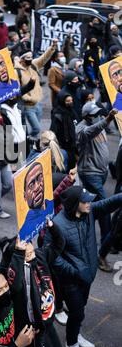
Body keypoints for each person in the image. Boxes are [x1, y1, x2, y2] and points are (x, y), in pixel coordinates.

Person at [44, 185, 122, 347]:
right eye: (85, 200)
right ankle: (71, 343)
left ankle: (75, 334)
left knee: (80, 309)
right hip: (70, 280)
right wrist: (76, 271)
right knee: (77, 310)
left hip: (87, 276)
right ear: (74, 204)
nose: (89, 203)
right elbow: (50, 255)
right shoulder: (58, 224)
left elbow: (110, 203)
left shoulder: (89, 211)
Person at [76, 103, 118, 247]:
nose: (99, 117)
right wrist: (107, 120)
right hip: (90, 173)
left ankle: (82, 234)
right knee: (104, 206)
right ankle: (106, 244)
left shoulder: (99, 123)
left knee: (92, 207)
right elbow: (91, 131)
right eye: (95, 115)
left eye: (100, 114)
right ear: (87, 117)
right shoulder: (81, 129)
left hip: (101, 172)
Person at [15, 40, 57, 138]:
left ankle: (31, 145)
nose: (30, 59)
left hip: (38, 104)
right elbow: (17, 89)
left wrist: (52, 47)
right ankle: (26, 139)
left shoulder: (33, 65)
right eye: (27, 58)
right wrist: (28, 98)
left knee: (36, 131)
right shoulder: (17, 71)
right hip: (28, 106)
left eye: (31, 57)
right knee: (37, 128)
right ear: (21, 60)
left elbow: (44, 58)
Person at [19, 162, 54, 242]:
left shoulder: (51, 205)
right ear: (24, 195)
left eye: (40, 178)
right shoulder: (25, 229)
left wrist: (69, 179)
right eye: (31, 185)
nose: (37, 187)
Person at [50, 91, 79, 170]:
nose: (70, 103)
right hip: (63, 145)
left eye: (71, 101)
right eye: (68, 101)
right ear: (62, 101)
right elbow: (53, 131)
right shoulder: (57, 114)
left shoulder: (72, 111)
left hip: (73, 145)